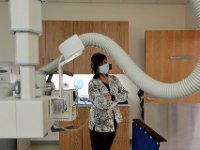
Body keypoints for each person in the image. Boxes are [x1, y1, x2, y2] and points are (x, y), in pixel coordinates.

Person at [88, 53, 128, 150]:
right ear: (96, 66)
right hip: (99, 124)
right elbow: (101, 104)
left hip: (113, 121)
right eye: (102, 63)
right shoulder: (93, 83)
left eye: (106, 62)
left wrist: (112, 97)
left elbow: (125, 95)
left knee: (107, 147)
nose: (105, 65)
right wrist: (117, 99)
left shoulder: (114, 79)